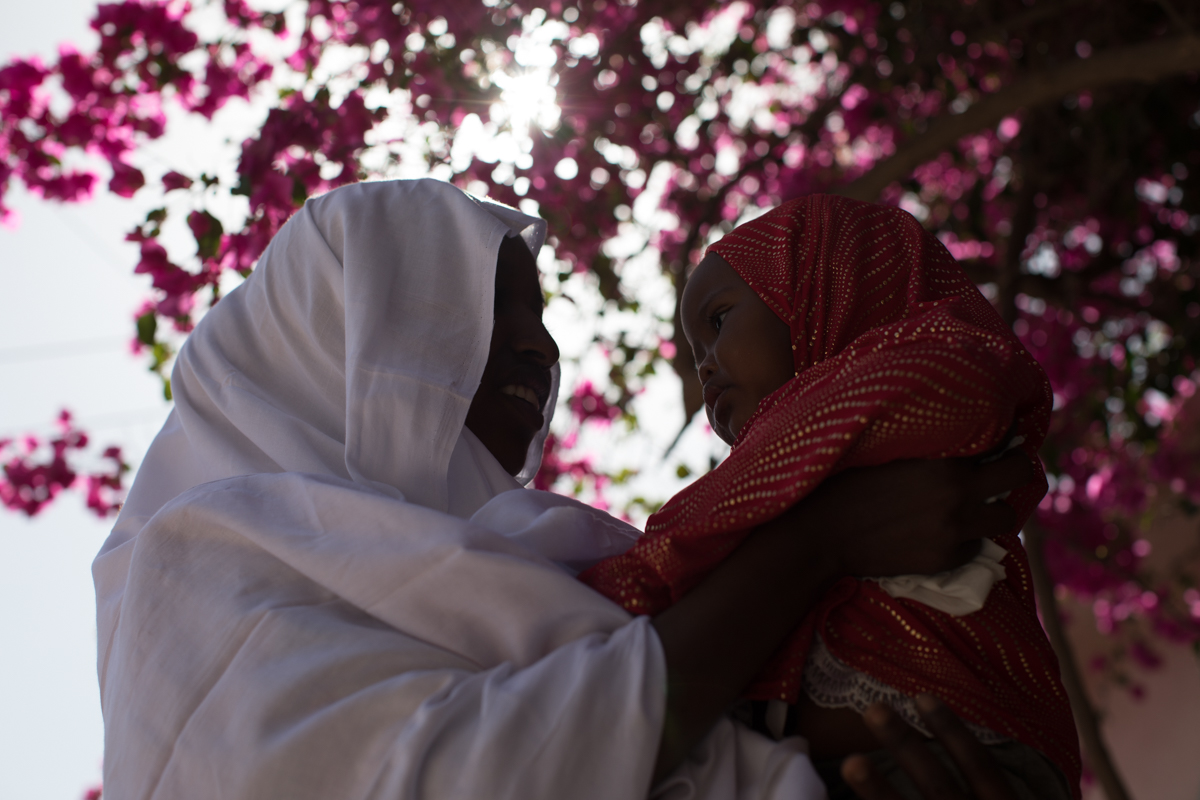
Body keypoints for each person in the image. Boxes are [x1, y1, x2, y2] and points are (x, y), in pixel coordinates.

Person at [93, 179, 1041, 800]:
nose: (537, 349)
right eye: (473, 311)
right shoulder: (210, 571)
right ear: (344, 345)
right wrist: (816, 543)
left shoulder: (568, 562)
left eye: (537, 317)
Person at [580, 196, 1078, 799]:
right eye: (695, 354)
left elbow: (692, 534)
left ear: (824, 290)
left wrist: (631, 577)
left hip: (960, 765)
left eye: (718, 322)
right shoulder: (802, 463)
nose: (706, 368)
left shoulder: (931, 365)